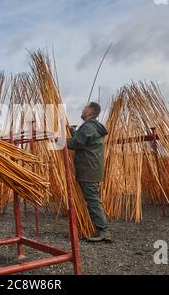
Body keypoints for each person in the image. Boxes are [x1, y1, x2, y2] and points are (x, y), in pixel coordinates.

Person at [66, 102, 111, 242]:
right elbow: (83, 139)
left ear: (90, 111)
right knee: (93, 199)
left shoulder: (89, 126)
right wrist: (74, 132)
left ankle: (104, 231)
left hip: (88, 169)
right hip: (90, 169)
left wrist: (57, 139)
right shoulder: (91, 127)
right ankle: (101, 229)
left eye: (85, 108)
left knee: (93, 200)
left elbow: (76, 143)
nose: (82, 109)